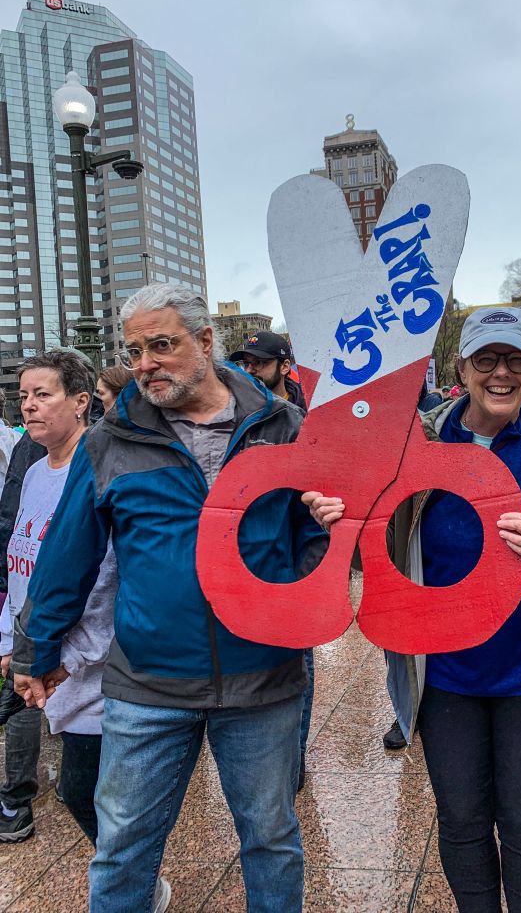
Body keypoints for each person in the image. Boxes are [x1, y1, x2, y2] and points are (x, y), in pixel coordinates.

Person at [12, 285, 328, 913]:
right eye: (134, 351)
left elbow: (319, 537)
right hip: (148, 684)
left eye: (162, 345)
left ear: (205, 343)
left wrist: (296, 590)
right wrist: (33, 650)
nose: (146, 363)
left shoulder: (284, 426)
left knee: (270, 839)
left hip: (262, 677)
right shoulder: (110, 441)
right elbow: (65, 558)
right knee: (124, 848)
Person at [306, 306, 521, 913]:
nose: (501, 374)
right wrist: (342, 530)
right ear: (461, 367)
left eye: (515, 360)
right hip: (443, 674)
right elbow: (377, 558)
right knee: (460, 820)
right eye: (487, 359)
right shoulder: (414, 443)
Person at [232, 329, 314, 791]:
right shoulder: (238, 419)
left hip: (289, 569)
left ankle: (294, 760)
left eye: (259, 363)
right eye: (244, 363)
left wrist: (306, 574)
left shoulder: (301, 419)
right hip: (249, 570)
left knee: (299, 668)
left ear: (284, 367)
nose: (250, 371)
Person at [230, 330, 306, 409]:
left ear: (284, 367)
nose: (248, 370)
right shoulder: (235, 410)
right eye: (246, 363)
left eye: (259, 362)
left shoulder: (308, 410)